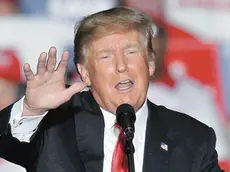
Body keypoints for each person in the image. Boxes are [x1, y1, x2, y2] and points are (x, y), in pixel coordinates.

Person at [0, 7, 223, 172]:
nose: (121, 65)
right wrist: (30, 109)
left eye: (131, 52)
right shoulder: (55, 125)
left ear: (151, 63)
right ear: (85, 72)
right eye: (106, 56)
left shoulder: (192, 138)